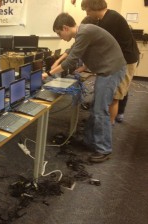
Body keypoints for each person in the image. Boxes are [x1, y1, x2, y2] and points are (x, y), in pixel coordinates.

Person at [43, 12, 126, 162]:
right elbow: (71, 52)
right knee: (96, 107)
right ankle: (89, 141)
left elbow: (70, 61)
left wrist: (48, 73)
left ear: (65, 28)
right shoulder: (83, 32)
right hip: (106, 70)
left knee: (100, 110)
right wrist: (56, 64)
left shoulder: (85, 32)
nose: (59, 37)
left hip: (110, 71)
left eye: (59, 33)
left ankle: (104, 149)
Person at [81, 0, 139, 123]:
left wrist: (85, 65)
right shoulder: (107, 17)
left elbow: (99, 47)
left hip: (127, 60)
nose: (87, 14)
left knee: (115, 96)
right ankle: (114, 116)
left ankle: (109, 125)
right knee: (116, 91)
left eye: (87, 11)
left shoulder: (110, 21)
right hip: (121, 59)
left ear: (92, 8)